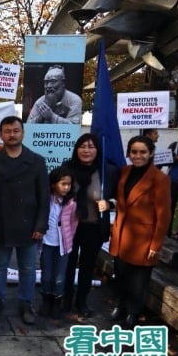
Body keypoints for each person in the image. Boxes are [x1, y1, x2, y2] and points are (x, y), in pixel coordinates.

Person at [0, 116, 49, 325]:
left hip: (29, 225)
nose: (12, 134)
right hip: (1, 222)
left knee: (28, 267)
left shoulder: (37, 161)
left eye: (16, 130)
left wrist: (40, 225)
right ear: (1, 134)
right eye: (8, 131)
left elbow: (44, 197)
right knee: (0, 265)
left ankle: (26, 303)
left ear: (23, 133)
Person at [109, 136, 171, 328]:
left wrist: (156, 244)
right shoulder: (125, 172)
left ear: (151, 153)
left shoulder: (160, 178)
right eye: (134, 152)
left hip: (143, 238)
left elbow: (164, 215)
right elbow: (122, 201)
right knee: (120, 274)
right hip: (122, 234)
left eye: (143, 152)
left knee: (138, 280)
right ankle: (120, 306)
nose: (138, 156)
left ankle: (134, 312)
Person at [62, 133, 119, 317]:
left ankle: (82, 301)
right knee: (68, 264)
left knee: (87, 266)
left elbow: (120, 197)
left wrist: (109, 203)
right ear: (76, 149)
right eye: (82, 146)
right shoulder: (67, 168)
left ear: (97, 150)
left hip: (93, 226)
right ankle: (65, 299)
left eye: (91, 147)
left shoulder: (106, 171)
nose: (86, 150)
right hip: (71, 225)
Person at [38, 166, 78, 319]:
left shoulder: (71, 204)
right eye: (63, 183)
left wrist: (69, 240)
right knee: (46, 274)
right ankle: (46, 301)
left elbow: (74, 224)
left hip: (63, 246)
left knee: (60, 277)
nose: (66, 187)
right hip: (47, 243)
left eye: (69, 184)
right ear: (54, 184)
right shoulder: (46, 200)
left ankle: (57, 302)